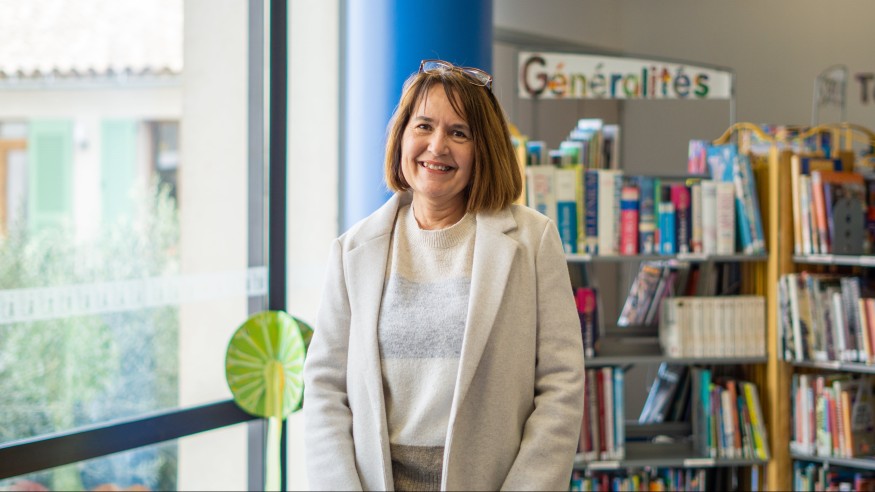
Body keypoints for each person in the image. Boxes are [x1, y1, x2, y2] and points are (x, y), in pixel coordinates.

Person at [303, 59, 585, 491]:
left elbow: (561, 385)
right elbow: (325, 389)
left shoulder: (533, 241)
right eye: (424, 126)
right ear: (401, 137)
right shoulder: (352, 251)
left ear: (483, 148)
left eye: (459, 133)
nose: (437, 146)